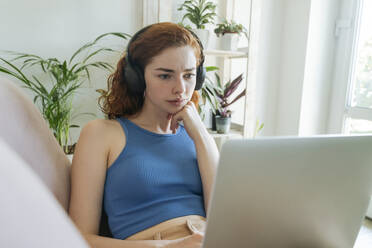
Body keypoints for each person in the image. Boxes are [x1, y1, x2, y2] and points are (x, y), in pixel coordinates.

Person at [68, 22, 219, 248]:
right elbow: (78, 238)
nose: (180, 89)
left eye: (188, 76)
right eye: (165, 76)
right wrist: (166, 247)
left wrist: (200, 134)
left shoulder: (196, 135)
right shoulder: (102, 134)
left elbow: (223, 213)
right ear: (136, 78)